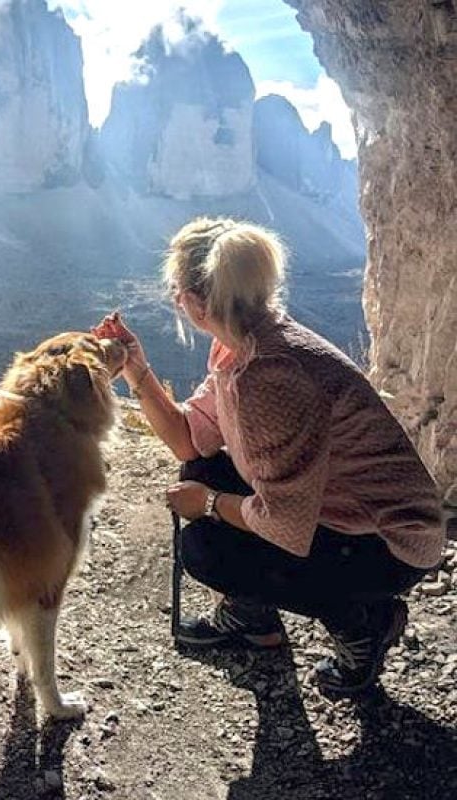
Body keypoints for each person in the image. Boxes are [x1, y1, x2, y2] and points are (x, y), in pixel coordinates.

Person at [94, 216, 445, 696]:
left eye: (178, 290)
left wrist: (211, 504)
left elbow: (284, 524)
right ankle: (254, 618)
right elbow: (188, 440)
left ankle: (362, 622)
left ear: (197, 303)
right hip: (341, 511)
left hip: (391, 543)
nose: (176, 299)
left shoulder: (270, 376)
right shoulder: (240, 343)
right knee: (201, 465)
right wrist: (138, 371)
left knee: (206, 549)